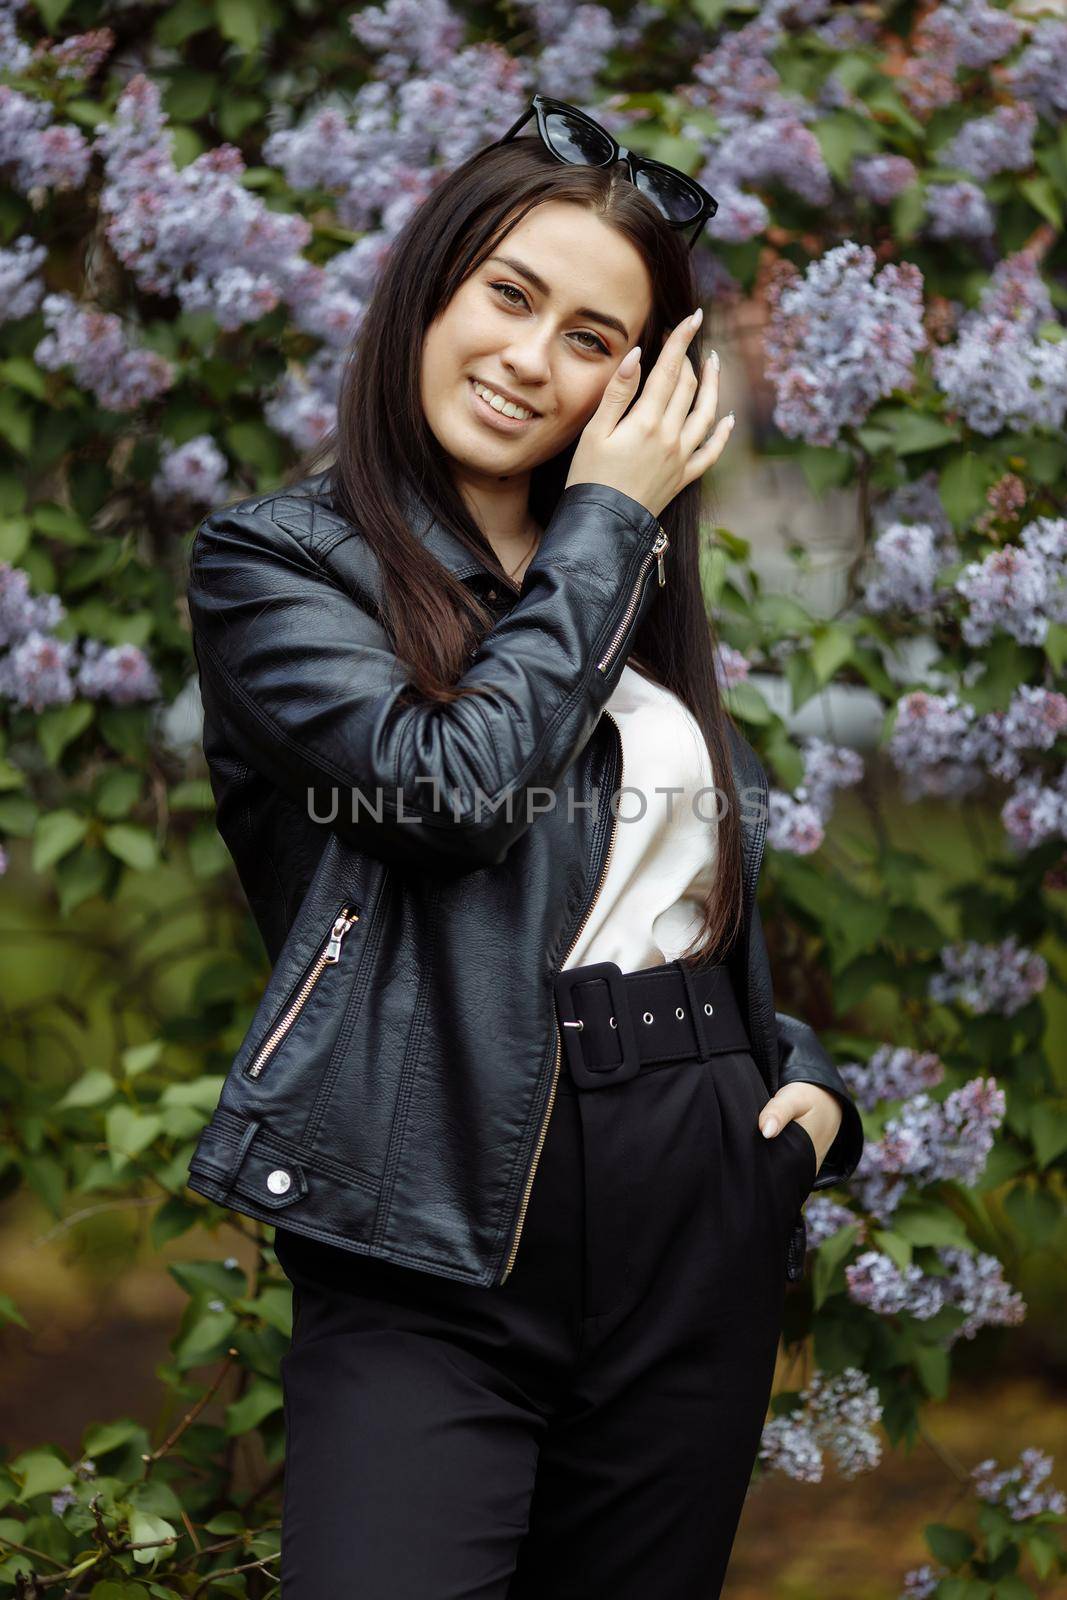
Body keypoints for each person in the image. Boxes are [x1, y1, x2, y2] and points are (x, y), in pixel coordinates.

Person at [184, 95, 865, 1599]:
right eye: (509, 294)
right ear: (432, 284)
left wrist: (802, 1091)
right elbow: (450, 796)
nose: (527, 359)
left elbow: (655, 893)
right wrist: (612, 518)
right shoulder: (282, 566)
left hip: (698, 1202)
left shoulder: (623, 585)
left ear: (635, 382)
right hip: (426, 1222)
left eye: (590, 339)